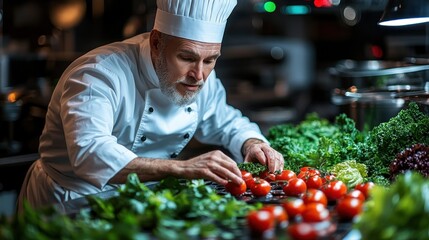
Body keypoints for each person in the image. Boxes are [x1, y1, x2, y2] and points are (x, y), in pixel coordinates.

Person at [17, 0, 285, 212]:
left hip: (140, 200)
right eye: (186, 57)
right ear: (157, 43)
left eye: (210, 59)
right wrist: (182, 168)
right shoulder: (98, 74)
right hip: (71, 202)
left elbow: (223, 119)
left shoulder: (199, 73)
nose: (199, 75)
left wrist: (251, 143)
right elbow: (90, 155)